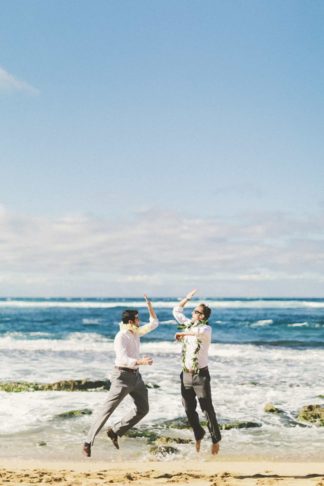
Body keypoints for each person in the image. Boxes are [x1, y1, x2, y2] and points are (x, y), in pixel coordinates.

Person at [83, 294, 158, 457]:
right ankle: (88, 442)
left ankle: (115, 431)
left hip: (136, 378)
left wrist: (150, 306)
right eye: (138, 319)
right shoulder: (121, 336)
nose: (140, 321)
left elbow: (154, 323)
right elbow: (122, 359)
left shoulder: (135, 332)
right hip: (122, 377)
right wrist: (141, 361)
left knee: (143, 409)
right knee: (107, 410)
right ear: (131, 321)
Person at [173, 289, 221, 455]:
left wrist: (182, 333)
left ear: (202, 316)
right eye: (193, 311)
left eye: (196, 311)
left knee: (207, 409)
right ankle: (199, 433)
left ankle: (216, 440)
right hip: (185, 374)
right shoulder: (188, 324)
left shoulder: (206, 330)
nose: (193, 313)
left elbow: (197, 332)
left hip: (200, 375)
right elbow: (176, 311)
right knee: (188, 408)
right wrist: (187, 298)